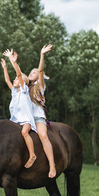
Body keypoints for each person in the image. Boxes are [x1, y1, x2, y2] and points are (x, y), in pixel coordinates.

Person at [1, 49, 37, 168]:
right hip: (15, 121)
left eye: (16, 79)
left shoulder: (23, 90)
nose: (14, 80)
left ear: (23, 82)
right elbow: (7, 80)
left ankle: (32, 155)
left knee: (24, 132)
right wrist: (5, 67)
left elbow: (18, 74)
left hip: (26, 120)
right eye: (15, 80)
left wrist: (13, 62)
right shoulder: (14, 93)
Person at [28, 44, 56, 178]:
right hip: (25, 118)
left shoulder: (40, 86)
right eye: (30, 73)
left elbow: (40, 70)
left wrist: (42, 55)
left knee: (43, 136)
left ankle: (52, 165)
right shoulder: (24, 88)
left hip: (38, 117)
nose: (32, 74)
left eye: (34, 73)